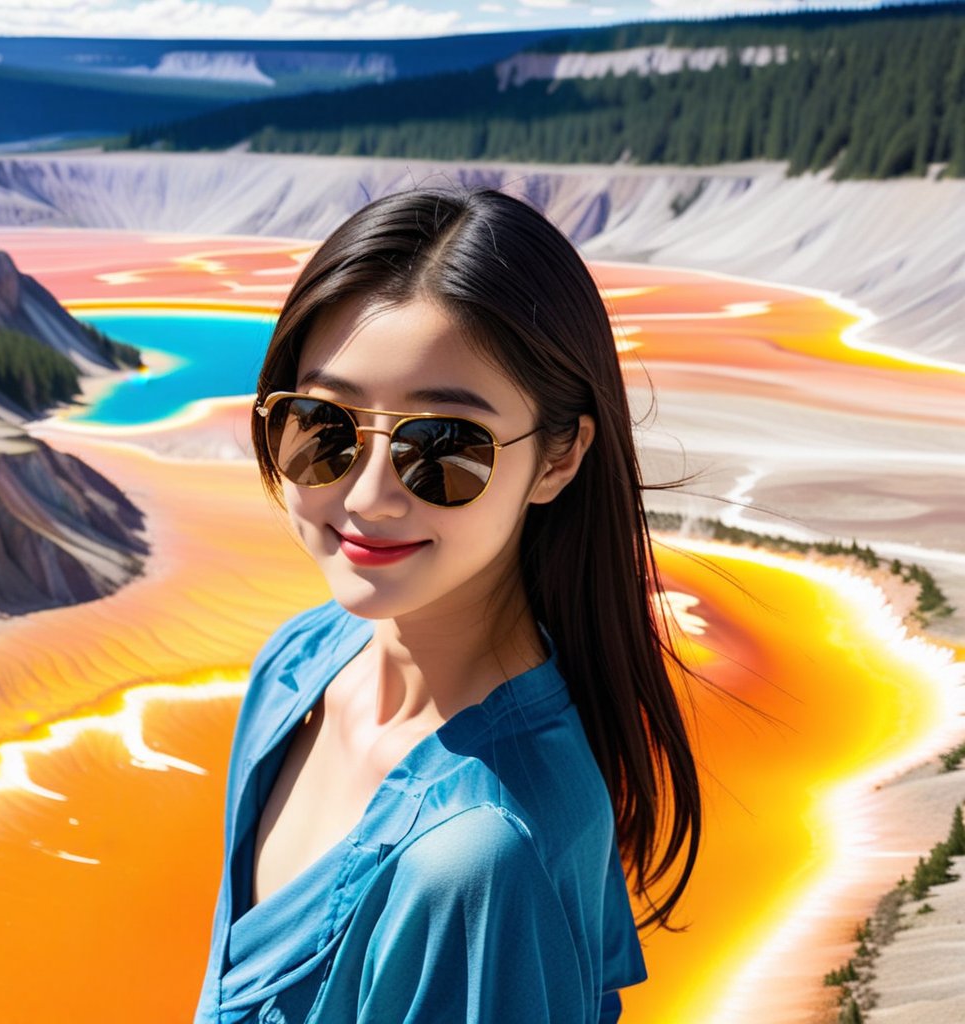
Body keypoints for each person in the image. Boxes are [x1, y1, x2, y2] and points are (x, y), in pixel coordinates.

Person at [193, 186, 702, 1024]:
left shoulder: (477, 861)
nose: (368, 496)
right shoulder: (296, 664)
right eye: (324, 426)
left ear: (559, 457)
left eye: (443, 448)